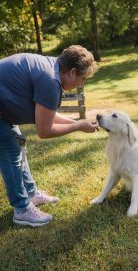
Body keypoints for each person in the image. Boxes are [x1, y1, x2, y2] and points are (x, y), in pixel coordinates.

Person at [0, 45, 99, 227]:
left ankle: (30, 194)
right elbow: (44, 131)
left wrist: (78, 123)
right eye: (82, 79)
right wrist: (78, 126)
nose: (81, 83)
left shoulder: (51, 69)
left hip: (4, 111)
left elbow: (48, 114)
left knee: (18, 148)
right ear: (72, 72)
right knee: (11, 153)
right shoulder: (50, 80)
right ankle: (22, 209)